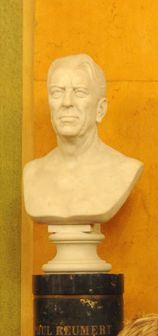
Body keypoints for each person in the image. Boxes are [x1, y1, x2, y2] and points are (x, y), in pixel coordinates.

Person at [23, 53, 143, 224]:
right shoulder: (33, 173)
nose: (66, 102)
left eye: (79, 92)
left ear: (100, 109)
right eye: (57, 92)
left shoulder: (124, 169)